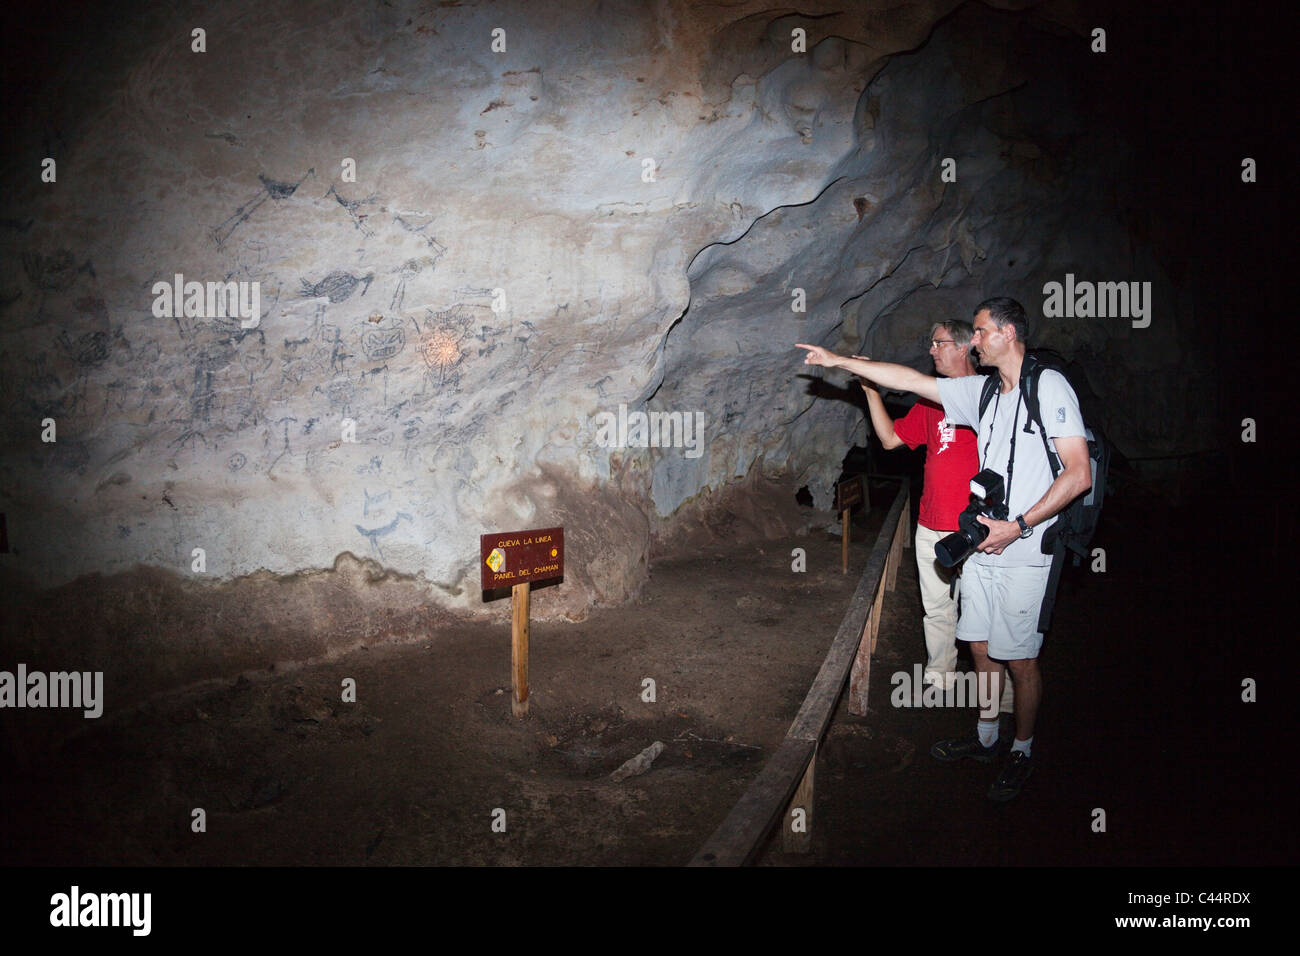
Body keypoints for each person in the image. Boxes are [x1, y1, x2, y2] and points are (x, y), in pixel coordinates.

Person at [797, 297, 1090, 800]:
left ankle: (1021, 749)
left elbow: (1078, 473)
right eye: (971, 333)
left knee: (1018, 656)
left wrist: (1018, 524)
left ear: (1008, 333)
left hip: (1022, 547)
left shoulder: (1048, 387)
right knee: (979, 645)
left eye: (980, 332)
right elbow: (914, 384)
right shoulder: (984, 393)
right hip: (979, 540)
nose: (974, 342)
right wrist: (842, 362)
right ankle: (985, 736)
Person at [856, 322, 1009, 714]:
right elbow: (891, 440)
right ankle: (940, 678)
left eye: (939, 343)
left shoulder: (990, 397)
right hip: (931, 522)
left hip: (979, 528)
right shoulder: (929, 402)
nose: (931, 351)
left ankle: (1002, 694)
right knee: (937, 608)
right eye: (931, 343)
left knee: (988, 614)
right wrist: (871, 391)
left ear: (963, 348)